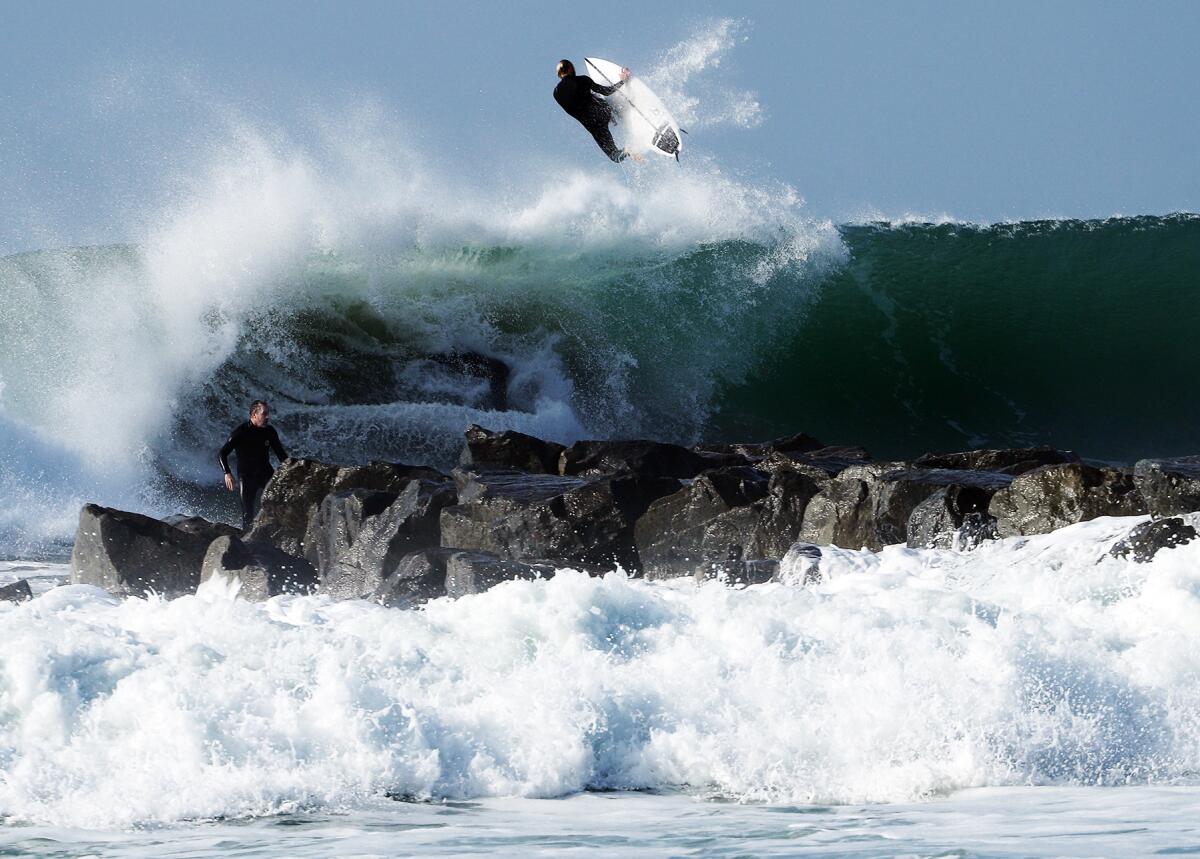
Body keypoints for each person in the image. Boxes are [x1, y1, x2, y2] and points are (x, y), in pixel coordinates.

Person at [553, 59, 644, 163]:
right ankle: (618, 110)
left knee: (615, 156)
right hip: (602, 112)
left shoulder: (556, 94)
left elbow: (575, 103)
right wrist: (622, 81)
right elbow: (606, 91)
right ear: (570, 68)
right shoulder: (583, 80)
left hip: (593, 126)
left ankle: (627, 150)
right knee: (594, 99)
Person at [219, 400, 288, 531]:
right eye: (264, 414)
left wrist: (294, 471)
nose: (267, 417)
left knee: (280, 502)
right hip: (247, 476)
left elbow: (282, 456)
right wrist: (227, 473)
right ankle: (248, 544)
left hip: (265, 472)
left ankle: (279, 533)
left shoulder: (270, 431)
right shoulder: (241, 432)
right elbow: (222, 453)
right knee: (247, 514)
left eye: (268, 414)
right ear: (254, 415)